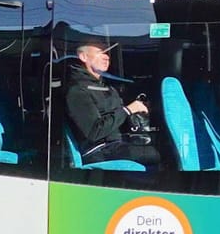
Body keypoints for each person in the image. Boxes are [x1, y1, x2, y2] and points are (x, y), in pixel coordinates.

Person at [63, 39, 162, 170]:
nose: (106, 57)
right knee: (157, 154)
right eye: (101, 52)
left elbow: (118, 117)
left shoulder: (107, 88)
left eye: (108, 53)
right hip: (98, 151)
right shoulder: (77, 90)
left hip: (116, 145)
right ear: (83, 56)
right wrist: (127, 110)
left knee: (160, 144)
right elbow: (94, 132)